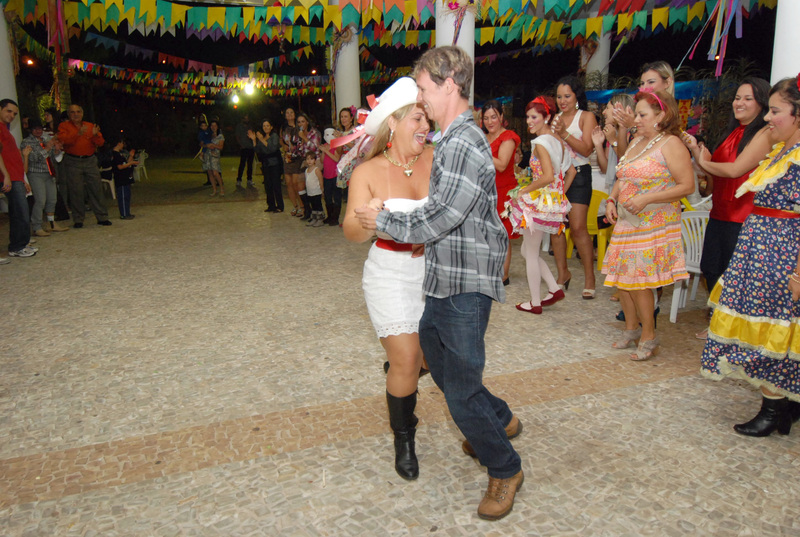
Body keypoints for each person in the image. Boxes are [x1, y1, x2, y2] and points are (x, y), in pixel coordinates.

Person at [354, 47, 523, 521]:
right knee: (442, 364)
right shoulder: (450, 139)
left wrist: (384, 219)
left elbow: (442, 216)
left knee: (461, 390)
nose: (422, 99)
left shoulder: (464, 142)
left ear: (449, 84)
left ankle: (504, 467)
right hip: (443, 278)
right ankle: (498, 420)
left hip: (465, 283)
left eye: (425, 88)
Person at [343, 77, 432, 482]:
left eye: (428, 119)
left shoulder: (436, 159)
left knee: (434, 357)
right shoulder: (368, 171)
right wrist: (368, 220)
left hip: (435, 271)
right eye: (417, 118)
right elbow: (351, 232)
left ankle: (407, 366)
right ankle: (404, 436)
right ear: (393, 122)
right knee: (407, 359)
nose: (426, 126)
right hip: (389, 274)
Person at [701, 77, 800, 437]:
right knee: (771, 329)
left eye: (775, 111)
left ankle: (773, 410)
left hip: (782, 254)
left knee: (775, 329)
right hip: (761, 251)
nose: (768, 118)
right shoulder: (782, 149)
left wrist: (799, 273)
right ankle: (783, 407)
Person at [603, 89, 695, 360]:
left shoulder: (671, 144)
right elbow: (623, 175)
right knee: (622, 278)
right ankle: (631, 328)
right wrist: (611, 199)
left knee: (639, 280)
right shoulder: (637, 141)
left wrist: (647, 198)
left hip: (653, 222)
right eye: (637, 114)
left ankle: (649, 335)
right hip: (628, 220)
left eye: (642, 115)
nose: (636, 119)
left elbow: (687, 185)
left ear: (661, 115)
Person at [683, 78, 771, 339]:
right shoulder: (733, 132)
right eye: (737, 98)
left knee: (735, 275)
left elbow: (734, 170)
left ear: (762, 103)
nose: (739, 103)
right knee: (711, 267)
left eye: (747, 99)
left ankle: (730, 328)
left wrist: (702, 161)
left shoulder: (764, 133)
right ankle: (718, 321)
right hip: (720, 211)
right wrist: (697, 154)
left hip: (743, 216)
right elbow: (714, 173)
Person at [504, 96, 575, 314]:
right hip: (549, 202)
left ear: (547, 117)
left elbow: (547, 176)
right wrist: (558, 196)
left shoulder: (541, 143)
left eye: (534, 117)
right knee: (527, 250)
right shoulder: (557, 141)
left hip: (539, 202)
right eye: (527, 117)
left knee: (531, 253)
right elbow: (570, 172)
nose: (529, 121)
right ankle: (554, 289)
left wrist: (522, 191)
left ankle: (535, 303)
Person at [549, 75, 598, 299]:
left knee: (578, 228)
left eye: (567, 96)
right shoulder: (555, 119)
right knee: (556, 228)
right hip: (558, 176)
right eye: (559, 96)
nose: (562, 101)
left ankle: (590, 278)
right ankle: (563, 274)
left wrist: (563, 133)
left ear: (577, 96)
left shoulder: (586, 117)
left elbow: (587, 149)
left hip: (579, 175)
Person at [482, 99, 520, 284]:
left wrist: (482, 150)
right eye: (486, 118)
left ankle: (503, 275)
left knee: (503, 234)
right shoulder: (483, 138)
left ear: (501, 116)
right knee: (486, 233)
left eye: (493, 117)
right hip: (485, 191)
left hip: (503, 192)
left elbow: (502, 165)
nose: (490, 122)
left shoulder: (508, 137)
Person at [57, 104, 112, 228]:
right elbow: (63, 141)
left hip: (90, 160)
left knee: (96, 188)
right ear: (69, 114)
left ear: (82, 113)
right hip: (73, 161)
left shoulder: (90, 126)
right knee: (76, 190)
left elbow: (101, 143)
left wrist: (95, 135)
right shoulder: (64, 126)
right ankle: (78, 219)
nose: (76, 114)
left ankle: (102, 217)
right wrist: (78, 134)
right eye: (72, 112)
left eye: (78, 112)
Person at [0, 99, 37, 259]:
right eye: (8, 111)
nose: (12, 116)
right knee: (20, 212)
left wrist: (23, 179)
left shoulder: (5, 129)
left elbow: (12, 158)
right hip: (7, 177)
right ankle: (17, 246)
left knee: (20, 211)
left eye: (14, 114)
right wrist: (7, 176)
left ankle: (19, 244)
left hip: (15, 177)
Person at [21, 118, 68, 236]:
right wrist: (47, 148)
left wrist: (56, 151)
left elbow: (53, 158)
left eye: (40, 128)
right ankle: (37, 226)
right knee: (40, 200)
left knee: (52, 199)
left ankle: (52, 224)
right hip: (35, 174)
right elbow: (33, 158)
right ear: (30, 130)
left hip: (49, 172)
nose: (38, 131)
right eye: (35, 129)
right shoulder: (26, 142)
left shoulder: (46, 139)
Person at [592, 93, 636, 191]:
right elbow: (605, 169)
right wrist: (598, 145)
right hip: (616, 188)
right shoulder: (613, 132)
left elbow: (626, 160)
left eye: (607, 108)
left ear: (619, 110)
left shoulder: (633, 133)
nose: (604, 112)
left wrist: (613, 141)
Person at [250, 118, 283, 213]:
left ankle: (280, 206)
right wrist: (254, 140)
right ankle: (271, 205)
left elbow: (272, 148)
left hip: (275, 163)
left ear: (271, 127)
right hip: (266, 164)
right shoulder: (263, 137)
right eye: (264, 126)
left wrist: (261, 139)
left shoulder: (274, 136)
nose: (265, 127)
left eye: (267, 125)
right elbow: (258, 150)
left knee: (276, 185)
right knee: (268, 185)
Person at [295, 113, 321, 221]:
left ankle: (317, 212)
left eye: (303, 121)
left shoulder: (314, 133)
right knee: (300, 185)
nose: (301, 124)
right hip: (305, 161)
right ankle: (307, 210)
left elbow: (314, 147)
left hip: (315, 161)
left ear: (307, 122)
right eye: (299, 122)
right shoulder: (299, 134)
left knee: (312, 186)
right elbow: (300, 150)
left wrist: (304, 138)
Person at [280, 107, 304, 217]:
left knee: (296, 183)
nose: (289, 114)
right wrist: (283, 145)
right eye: (287, 113)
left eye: (291, 112)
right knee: (288, 183)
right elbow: (281, 139)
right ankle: (295, 206)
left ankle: (302, 206)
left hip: (298, 157)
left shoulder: (299, 126)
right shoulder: (284, 127)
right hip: (288, 157)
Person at [110, 137, 138, 219]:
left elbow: (125, 163)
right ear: (118, 143)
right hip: (121, 179)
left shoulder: (119, 154)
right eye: (122, 143)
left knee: (127, 196)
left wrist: (131, 156)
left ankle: (127, 213)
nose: (123, 145)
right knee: (122, 197)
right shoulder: (115, 154)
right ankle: (124, 214)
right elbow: (120, 166)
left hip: (125, 178)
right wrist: (131, 163)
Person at [320, 128, 342, 225]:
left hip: (335, 175)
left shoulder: (337, 145)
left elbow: (336, 159)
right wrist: (323, 151)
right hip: (326, 175)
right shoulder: (325, 145)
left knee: (337, 196)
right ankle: (330, 216)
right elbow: (322, 160)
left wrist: (326, 151)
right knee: (327, 196)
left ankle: (335, 218)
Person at [302, 152, 325, 227]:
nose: (309, 161)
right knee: (313, 206)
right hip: (310, 192)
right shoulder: (306, 170)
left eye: (311, 159)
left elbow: (321, 181)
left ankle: (320, 219)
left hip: (317, 191)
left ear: (315, 160)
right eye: (307, 159)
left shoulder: (317, 170)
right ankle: (314, 218)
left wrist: (322, 190)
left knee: (318, 205)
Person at [205, 120, 224, 197]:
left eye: (215, 125)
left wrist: (213, 145)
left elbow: (221, 147)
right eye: (212, 125)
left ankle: (221, 188)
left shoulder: (220, 136)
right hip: (207, 155)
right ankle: (214, 189)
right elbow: (202, 143)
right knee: (210, 173)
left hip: (215, 156)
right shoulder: (208, 135)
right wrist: (206, 145)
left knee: (215, 173)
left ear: (217, 127)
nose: (213, 127)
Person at [235, 113, 255, 188]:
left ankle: (249, 179)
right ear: (242, 119)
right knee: (242, 164)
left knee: (250, 164)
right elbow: (237, 136)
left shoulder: (250, 126)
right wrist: (241, 145)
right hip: (244, 147)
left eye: (247, 118)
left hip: (251, 147)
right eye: (245, 118)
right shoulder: (239, 126)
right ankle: (239, 179)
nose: (246, 120)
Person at [197, 117, 213, 187]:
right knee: (208, 166)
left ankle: (215, 180)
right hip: (206, 147)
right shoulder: (201, 132)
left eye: (205, 125)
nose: (204, 127)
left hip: (210, 147)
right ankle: (210, 180)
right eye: (202, 126)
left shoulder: (209, 131)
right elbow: (201, 141)